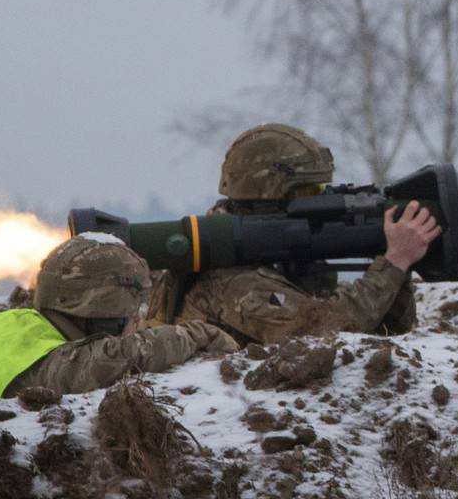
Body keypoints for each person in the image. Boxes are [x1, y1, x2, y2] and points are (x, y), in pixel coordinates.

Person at [145, 123, 440, 344]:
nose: (321, 200)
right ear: (267, 196)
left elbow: (385, 334)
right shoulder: (231, 280)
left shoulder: (276, 261)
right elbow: (324, 335)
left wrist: (396, 269)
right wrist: (392, 264)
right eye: (310, 191)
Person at [0, 234, 238, 401]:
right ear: (101, 311)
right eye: (132, 310)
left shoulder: (3, 325)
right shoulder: (51, 362)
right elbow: (113, 358)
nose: (137, 321)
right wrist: (198, 335)